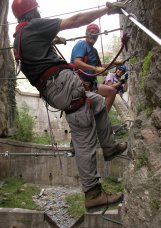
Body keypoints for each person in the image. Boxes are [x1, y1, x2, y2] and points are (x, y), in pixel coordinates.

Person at [12, 0, 127, 211]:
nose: (39, 12)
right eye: (36, 9)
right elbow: (74, 20)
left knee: (98, 102)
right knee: (84, 137)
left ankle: (109, 147)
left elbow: (36, 48)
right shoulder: (35, 26)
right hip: (64, 85)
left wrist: (55, 38)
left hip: (54, 90)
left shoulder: (19, 38)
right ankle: (93, 194)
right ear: (32, 12)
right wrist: (106, 9)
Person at [70, 23, 123, 112]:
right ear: (86, 33)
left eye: (96, 34)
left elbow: (99, 67)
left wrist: (114, 63)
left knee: (112, 92)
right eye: (91, 32)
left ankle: (103, 119)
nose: (94, 35)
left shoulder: (94, 50)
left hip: (91, 85)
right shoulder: (81, 44)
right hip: (80, 84)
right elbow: (77, 62)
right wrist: (95, 69)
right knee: (91, 107)